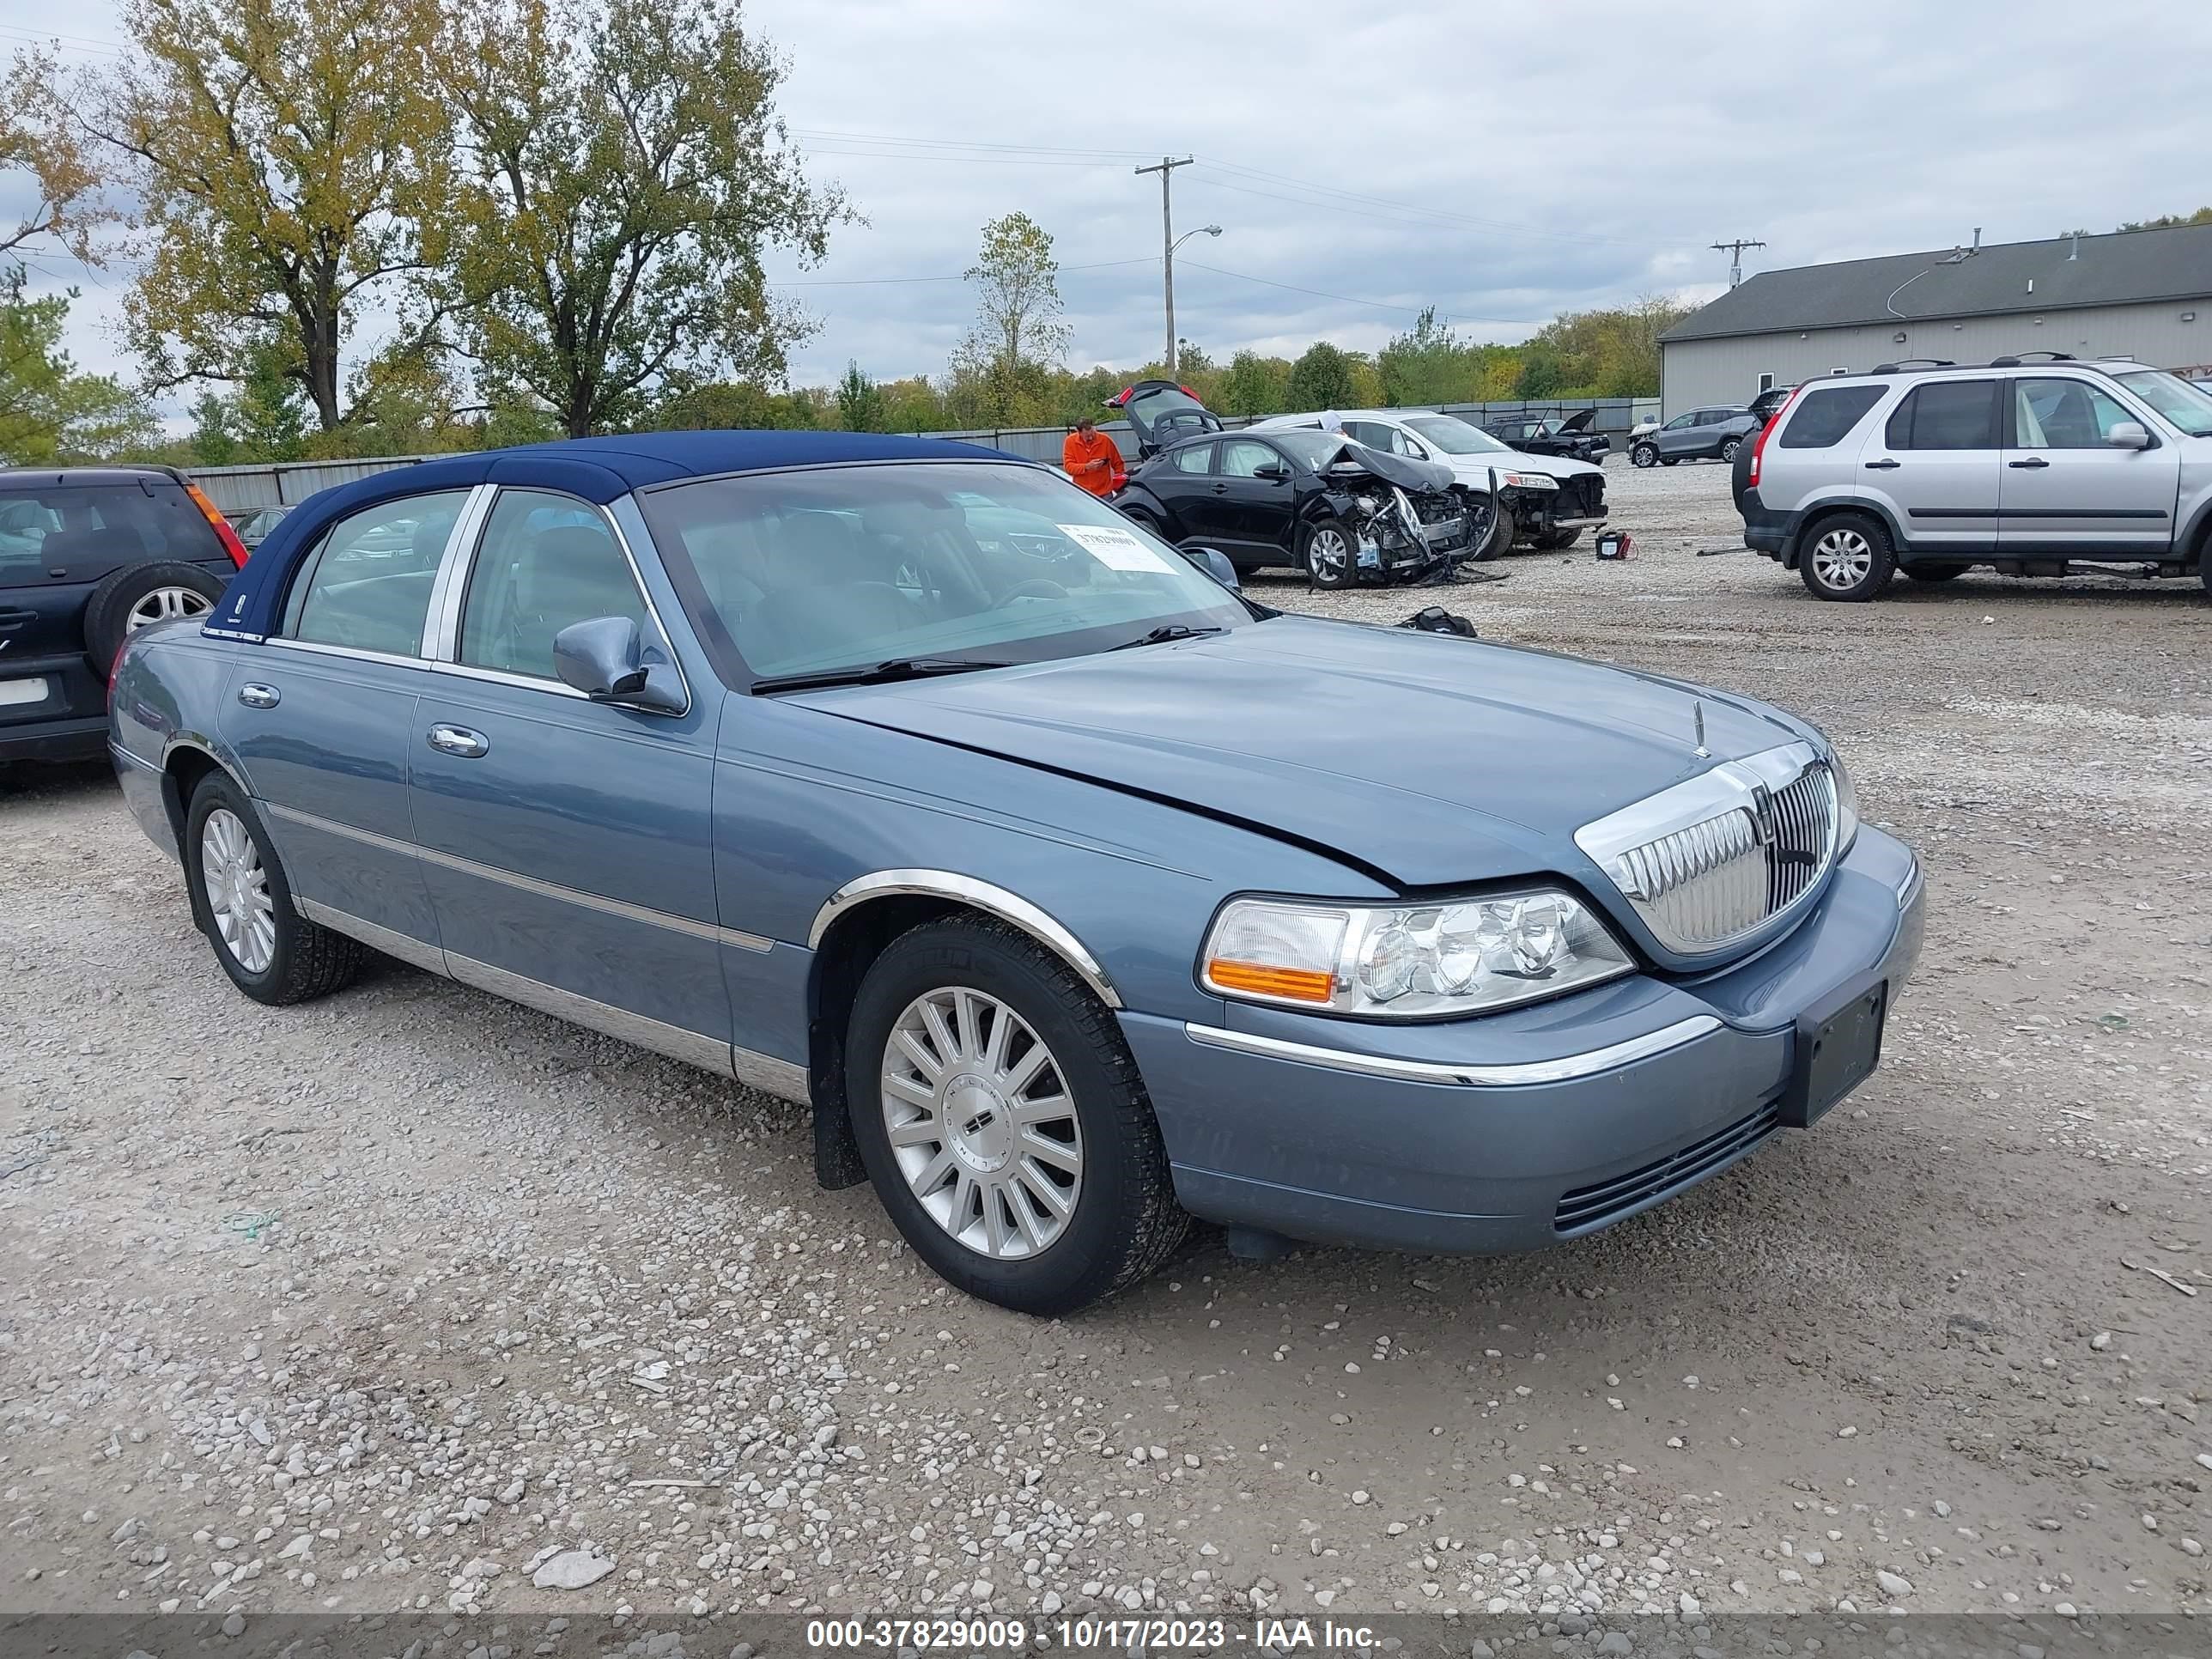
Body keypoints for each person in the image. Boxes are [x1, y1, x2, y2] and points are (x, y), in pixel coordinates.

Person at [1061, 416, 1125, 498]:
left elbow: (1118, 464)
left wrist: (1119, 486)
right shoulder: (1070, 442)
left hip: (1104, 493)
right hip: (1083, 493)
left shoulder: (1105, 440)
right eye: (1087, 436)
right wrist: (1087, 467)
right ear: (1079, 432)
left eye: (1092, 433)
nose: (1091, 437)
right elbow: (1069, 468)